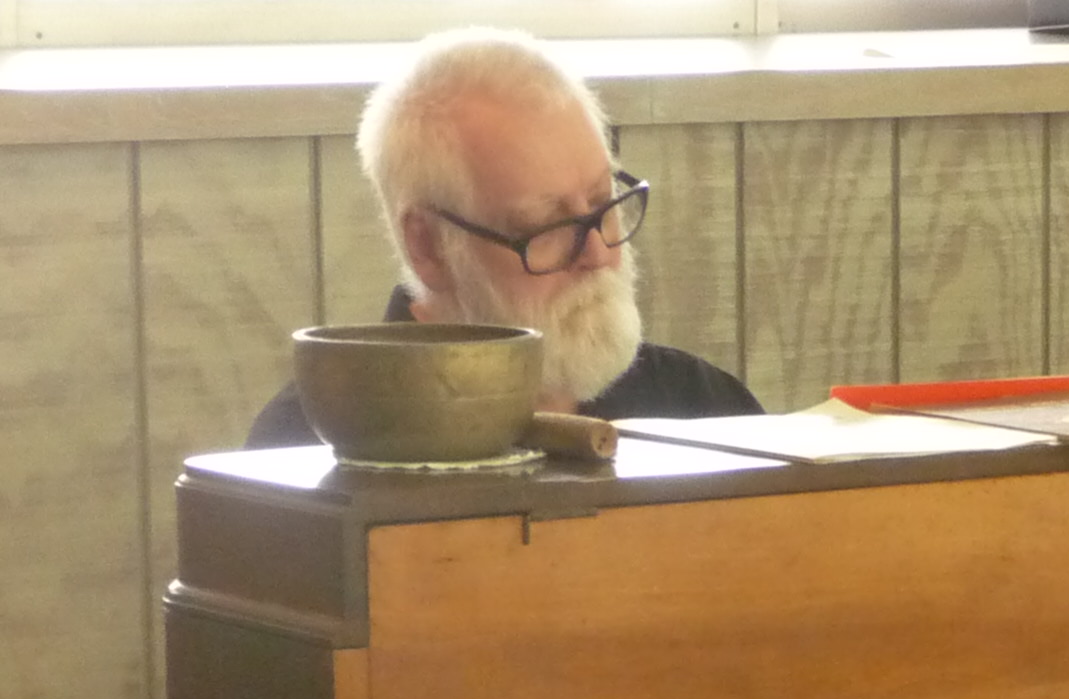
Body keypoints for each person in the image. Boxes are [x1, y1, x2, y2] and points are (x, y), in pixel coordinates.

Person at [249, 27, 759, 447]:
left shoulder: (706, 412)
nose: (599, 254)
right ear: (428, 247)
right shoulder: (309, 453)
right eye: (548, 226)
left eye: (604, 205)